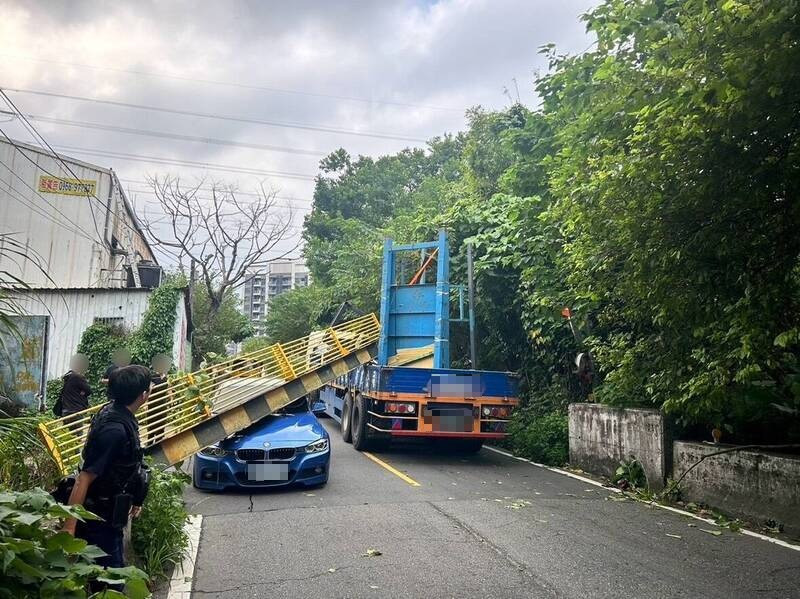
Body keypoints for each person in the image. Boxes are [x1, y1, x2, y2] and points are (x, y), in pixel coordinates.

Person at [62, 365, 151, 590]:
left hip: (109, 514)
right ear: (143, 395)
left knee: (107, 579)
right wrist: (69, 527)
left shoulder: (116, 413)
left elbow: (127, 464)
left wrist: (137, 497)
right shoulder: (115, 430)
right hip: (99, 518)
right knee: (110, 584)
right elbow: (85, 477)